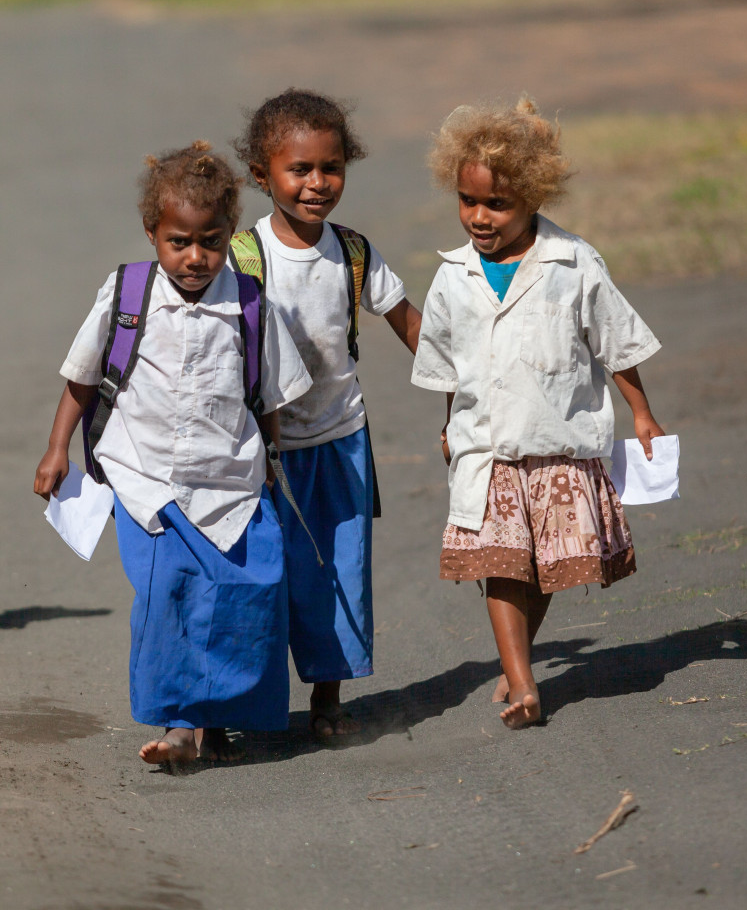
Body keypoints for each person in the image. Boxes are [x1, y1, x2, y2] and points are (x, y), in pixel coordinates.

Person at [34, 142, 311, 765]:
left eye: (209, 241)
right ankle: (180, 724)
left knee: (246, 594)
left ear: (229, 234)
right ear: (152, 233)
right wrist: (56, 449)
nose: (194, 257)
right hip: (146, 480)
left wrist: (272, 458)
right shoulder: (127, 293)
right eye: (178, 241)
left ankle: (219, 720)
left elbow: (268, 396)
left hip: (231, 480)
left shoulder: (248, 304)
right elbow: (81, 378)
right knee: (168, 597)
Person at [411, 96, 666, 729]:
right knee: (500, 562)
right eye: (468, 201)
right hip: (487, 447)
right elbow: (450, 365)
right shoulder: (451, 278)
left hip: (558, 441)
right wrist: (449, 425)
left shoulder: (574, 264)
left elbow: (616, 344)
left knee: (545, 566)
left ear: (533, 200)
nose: (479, 216)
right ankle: (524, 683)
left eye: (497, 204)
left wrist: (643, 414)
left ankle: (514, 659)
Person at [230, 89, 422, 741]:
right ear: (263, 176)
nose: (318, 183)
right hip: (261, 452)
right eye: (300, 169)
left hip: (341, 440)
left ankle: (326, 700)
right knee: (259, 573)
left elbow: (408, 321)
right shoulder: (240, 258)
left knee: (337, 568)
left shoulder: (353, 253)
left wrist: (467, 381)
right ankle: (242, 703)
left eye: (331, 167)